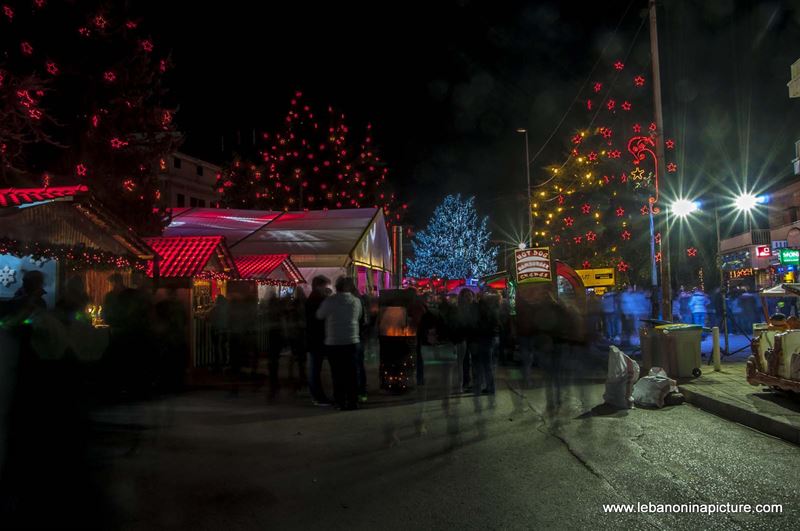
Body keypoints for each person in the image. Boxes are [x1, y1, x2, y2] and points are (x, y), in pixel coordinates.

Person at [316, 276, 363, 410]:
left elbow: (319, 315)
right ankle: (353, 401)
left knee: (337, 374)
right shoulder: (356, 301)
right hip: (352, 340)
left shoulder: (330, 301)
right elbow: (358, 317)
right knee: (352, 373)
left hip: (334, 342)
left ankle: (341, 401)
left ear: (337, 287)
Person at [306, 276, 332, 405]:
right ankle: (317, 396)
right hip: (317, 338)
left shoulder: (313, 298)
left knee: (315, 368)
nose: (326, 289)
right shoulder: (317, 300)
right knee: (315, 369)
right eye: (325, 286)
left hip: (314, 338)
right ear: (319, 286)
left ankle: (316, 395)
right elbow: (320, 318)